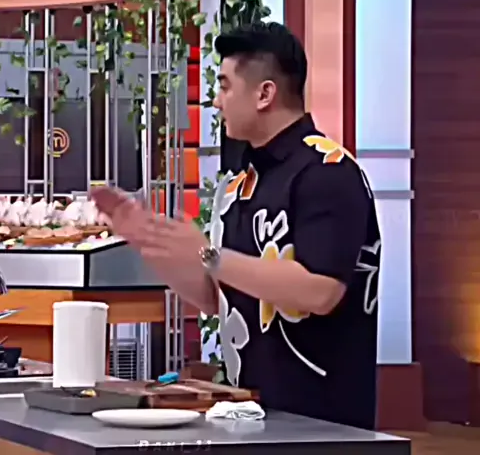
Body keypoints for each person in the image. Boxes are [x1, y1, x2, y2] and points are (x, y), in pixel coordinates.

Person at [91, 21, 381, 430]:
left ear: (265, 93)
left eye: (225, 86)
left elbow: (321, 291)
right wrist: (150, 243)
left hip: (325, 421)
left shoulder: (328, 171)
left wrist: (208, 255)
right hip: (251, 414)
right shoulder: (238, 184)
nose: (215, 100)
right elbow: (218, 299)